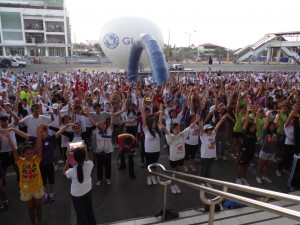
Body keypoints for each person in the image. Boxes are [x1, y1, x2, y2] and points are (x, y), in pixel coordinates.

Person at [1, 126, 44, 225]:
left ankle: (40, 222)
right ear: (23, 154)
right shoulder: (20, 161)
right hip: (26, 190)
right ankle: (33, 223)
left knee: (38, 208)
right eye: (27, 154)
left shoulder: (36, 159)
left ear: (34, 153)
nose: (29, 156)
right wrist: (8, 136)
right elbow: (14, 149)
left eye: (31, 153)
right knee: (30, 210)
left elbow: (40, 147)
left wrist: (38, 132)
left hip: (37, 188)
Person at [162, 109, 200, 194]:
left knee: (179, 172)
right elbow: (165, 129)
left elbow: (189, 127)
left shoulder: (182, 135)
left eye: (179, 129)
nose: (178, 130)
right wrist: (161, 119)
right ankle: (172, 185)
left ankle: (176, 185)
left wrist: (196, 121)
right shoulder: (170, 137)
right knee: (173, 172)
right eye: (176, 129)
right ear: (172, 130)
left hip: (181, 158)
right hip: (174, 159)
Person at [64, 147, 96, 225]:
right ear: (84, 156)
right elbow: (87, 160)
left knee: (80, 214)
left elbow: (64, 172)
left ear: (74, 158)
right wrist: (85, 151)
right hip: (88, 190)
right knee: (89, 210)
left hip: (76, 195)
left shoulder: (72, 171)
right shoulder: (90, 164)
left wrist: (68, 159)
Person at [199, 113, 228, 187]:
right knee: (204, 170)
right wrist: (199, 121)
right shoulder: (203, 136)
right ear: (206, 130)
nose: (211, 130)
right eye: (209, 129)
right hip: (205, 157)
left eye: (211, 129)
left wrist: (222, 119)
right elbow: (201, 129)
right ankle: (202, 182)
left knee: (209, 170)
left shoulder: (213, 134)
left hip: (212, 157)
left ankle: (207, 181)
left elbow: (217, 126)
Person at [236, 107, 257, 185]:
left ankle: (243, 178)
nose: (253, 128)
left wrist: (256, 115)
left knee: (246, 166)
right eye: (251, 127)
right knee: (241, 166)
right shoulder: (245, 133)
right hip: (243, 152)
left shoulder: (254, 133)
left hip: (251, 152)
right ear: (248, 128)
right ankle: (238, 179)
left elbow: (255, 123)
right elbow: (246, 122)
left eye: (253, 127)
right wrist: (248, 112)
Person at [256, 110, 277, 184]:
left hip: (272, 152)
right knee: (261, 164)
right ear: (268, 126)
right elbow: (267, 122)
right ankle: (258, 176)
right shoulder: (265, 132)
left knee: (267, 165)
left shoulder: (275, 133)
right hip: (264, 151)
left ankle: (264, 176)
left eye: (273, 126)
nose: (272, 127)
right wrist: (268, 114)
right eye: (271, 126)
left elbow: (276, 121)